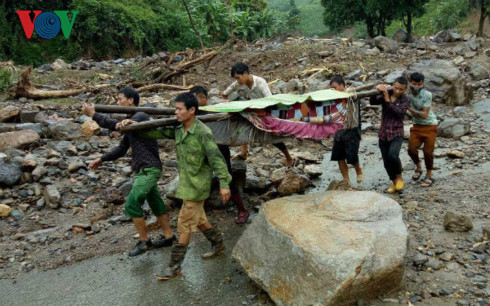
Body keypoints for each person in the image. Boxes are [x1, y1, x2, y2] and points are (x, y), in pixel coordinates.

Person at [120, 93, 232, 280]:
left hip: (198, 186)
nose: (176, 112)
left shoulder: (203, 132)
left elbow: (217, 159)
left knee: (184, 224)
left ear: (192, 110)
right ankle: (218, 245)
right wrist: (134, 126)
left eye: (179, 109)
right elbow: (155, 132)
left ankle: (174, 266)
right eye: (175, 108)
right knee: (200, 220)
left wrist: (224, 183)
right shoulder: (178, 129)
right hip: (186, 184)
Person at [82, 87, 175, 256]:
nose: (117, 103)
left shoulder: (140, 116)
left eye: (119, 99)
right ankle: (169, 236)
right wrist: (101, 159)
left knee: (132, 204)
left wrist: (94, 115)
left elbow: (117, 126)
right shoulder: (130, 124)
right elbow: (121, 149)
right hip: (144, 169)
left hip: (148, 169)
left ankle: (144, 241)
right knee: (156, 203)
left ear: (130, 100)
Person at [190, 86, 250, 224]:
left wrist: (242, 148)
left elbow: (236, 124)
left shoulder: (219, 109)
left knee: (227, 178)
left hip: (219, 148)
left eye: (195, 98)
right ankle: (200, 212)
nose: (192, 102)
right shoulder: (195, 112)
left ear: (203, 97)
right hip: (202, 149)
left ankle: (242, 210)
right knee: (200, 178)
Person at [222, 62, 293, 166]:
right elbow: (230, 88)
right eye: (236, 78)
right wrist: (224, 94)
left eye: (238, 77)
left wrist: (262, 111)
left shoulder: (260, 82)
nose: (237, 80)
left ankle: (289, 158)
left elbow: (270, 101)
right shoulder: (240, 83)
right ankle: (243, 152)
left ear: (245, 73)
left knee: (273, 137)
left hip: (267, 109)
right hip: (254, 108)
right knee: (242, 126)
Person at [369, 77, 411, 194]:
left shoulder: (406, 99)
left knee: (393, 155)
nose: (397, 91)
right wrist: (376, 88)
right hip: (383, 133)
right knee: (386, 161)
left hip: (396, 132)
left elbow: (399, 113)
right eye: (396, 88)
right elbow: (372, 101)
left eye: (401, 89)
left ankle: (399, 178)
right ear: (393, 85)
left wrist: (387, 100)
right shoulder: (387, 93)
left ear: (405, 89)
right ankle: (394, 182)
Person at [329, 76, 364, 185]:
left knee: (352, 155)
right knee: (339, 156)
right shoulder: (332, 99)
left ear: (342, 86)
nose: (333, 90)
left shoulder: (352, 94)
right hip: (338, 130)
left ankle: (358, 170)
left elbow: (352, 92)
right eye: (332, 89)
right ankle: (346, 180)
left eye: (335, 87)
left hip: (352, 129)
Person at [407, 72, 438, 187]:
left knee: (428, 152)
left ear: (422, 84)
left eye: (419, 84)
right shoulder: (407, 94)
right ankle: (419, 167)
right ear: (410, 82)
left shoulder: (427, 94)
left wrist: (409, 108)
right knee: (411, 149)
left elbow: (425, 114)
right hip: (417, 125)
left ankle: (429, 174)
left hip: (430, 125)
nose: (416, 86)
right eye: (414, 83)